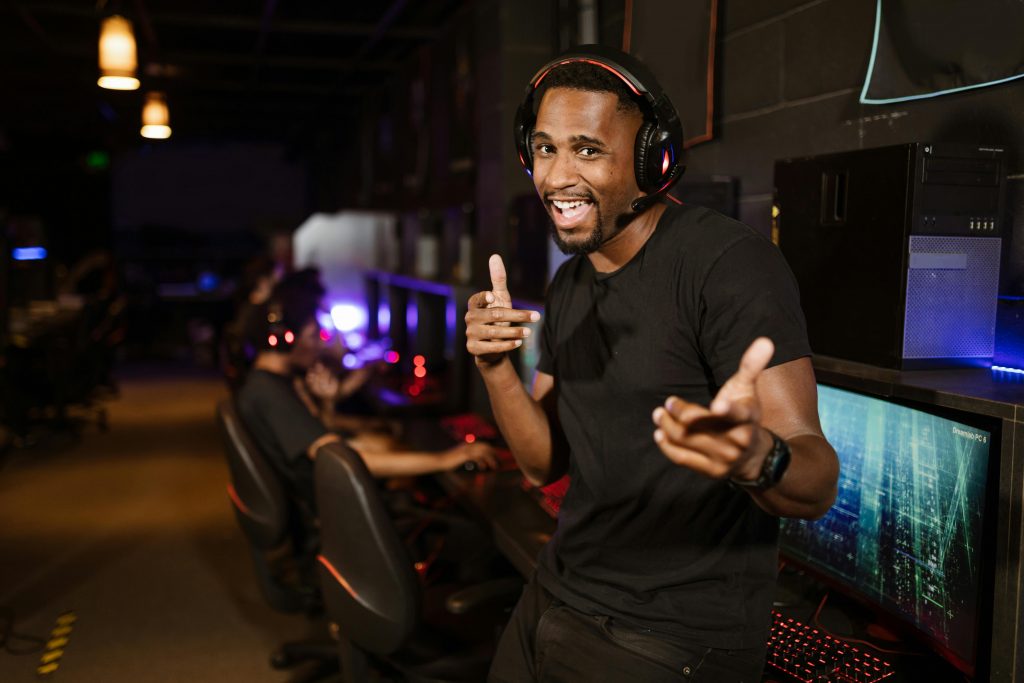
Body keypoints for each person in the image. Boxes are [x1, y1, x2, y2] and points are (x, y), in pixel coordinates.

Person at [465, 46, 839, 682]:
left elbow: (816, 476)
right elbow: (542, 460)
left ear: (651, 162)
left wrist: (758, 458)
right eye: (546, 149)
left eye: (587, 150)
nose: (556, 178)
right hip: (556, 593)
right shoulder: (570, 285)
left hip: (668, 640)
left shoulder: (726, 265)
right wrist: (497, 370)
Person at [237, 271, 497, 510]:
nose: (319, 345)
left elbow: (318, 437)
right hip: (334, 509)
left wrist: (329, 402)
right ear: (287, 339)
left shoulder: (270, 383)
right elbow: (342, 460)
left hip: (328, 499)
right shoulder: (271, 394)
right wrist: (447, 458)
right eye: (315, 335)